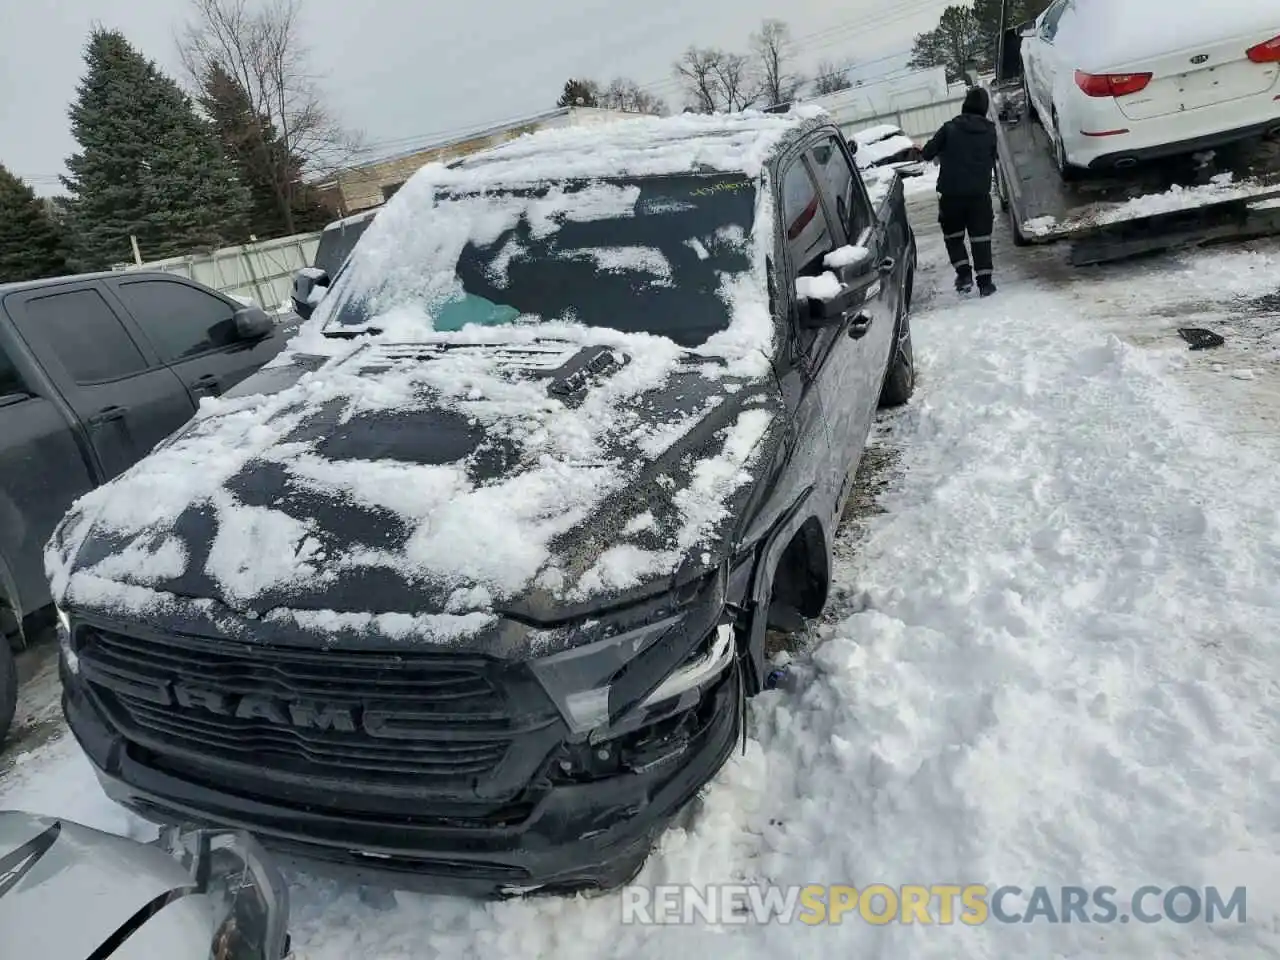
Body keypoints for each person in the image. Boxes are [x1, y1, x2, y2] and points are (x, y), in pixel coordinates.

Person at [921, 86, 999, 296]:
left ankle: (964, 274)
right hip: (979, 197)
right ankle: (985, 283)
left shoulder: (949, 128)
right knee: (981, 239)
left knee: (953, 237)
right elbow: (996, 156)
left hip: (951, 196)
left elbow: (928, 152)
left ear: (965, 104)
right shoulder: (990, 130)